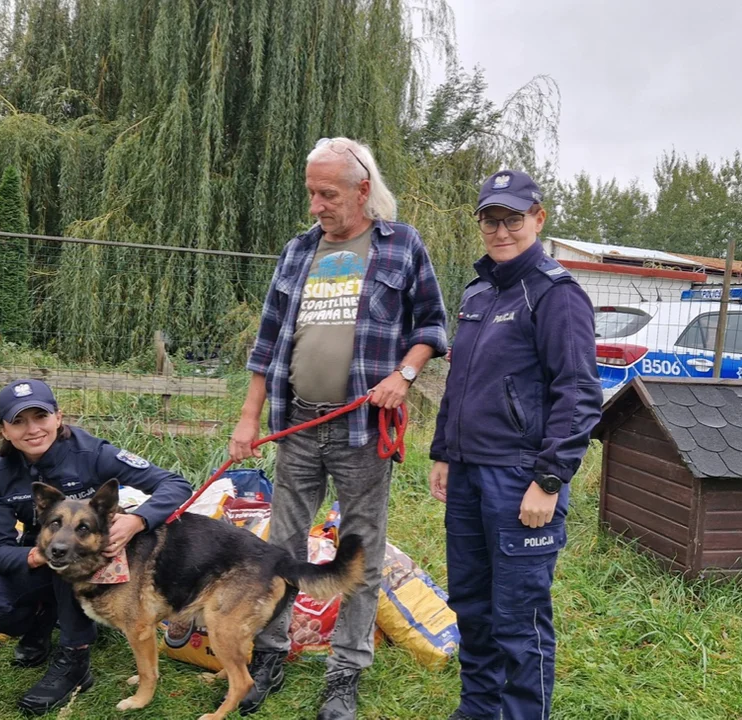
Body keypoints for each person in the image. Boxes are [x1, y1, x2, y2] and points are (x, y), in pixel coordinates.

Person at [228, 136, 448, 720]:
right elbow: (268, 341)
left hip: (362, 428)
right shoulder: (298, 251)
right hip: (297, 422)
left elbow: (432, 324)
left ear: (363, 190)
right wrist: (248, 419)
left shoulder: (401, 247)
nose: (316, 205)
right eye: (311, 192)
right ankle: (270, 652)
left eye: (327, 193)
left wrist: (405, 373)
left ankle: (346, 670)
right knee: (280, 546)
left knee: (360, 549)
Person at [429, 169, 602, 720]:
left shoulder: (556, 294)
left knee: (518, 616)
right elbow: (461, 382)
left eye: (513, 219)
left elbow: (577, 394)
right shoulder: (479, 292)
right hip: (469, 475)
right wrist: (443, 451)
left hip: (521, 480)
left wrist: (549, 479)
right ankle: (478, 709)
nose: (501, 231)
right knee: (473, 607)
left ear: (538, 218)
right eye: (490, 220)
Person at [0, 379, 193, 715]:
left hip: (91, 558)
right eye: (18, 421)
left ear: (58, 417)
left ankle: (74, 658)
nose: (32, 429)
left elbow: (176, 484)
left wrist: (139, 520)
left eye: (40, 416)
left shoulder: (92, 454)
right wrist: (38, 555)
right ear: (4, 430)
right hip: (37, 554)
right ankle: (41, 623)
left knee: (72, 560)